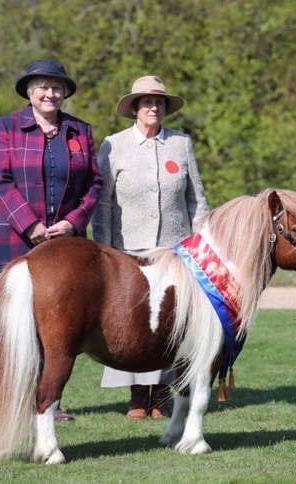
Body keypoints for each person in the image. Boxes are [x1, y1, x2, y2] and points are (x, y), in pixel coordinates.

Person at [0, 59, 103, 422]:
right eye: (42, 86)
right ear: (29, 92)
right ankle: (16, 405)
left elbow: (95, 184)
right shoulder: (7, 127)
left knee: (59, 326)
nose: (50, 93)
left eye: (56, 87)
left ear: (65, 92)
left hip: (66, 244)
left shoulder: (79, 130)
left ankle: (49, 403)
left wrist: (73, 221)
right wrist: (30, 225)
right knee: (18, 327)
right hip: (19, 238)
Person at [92, 75, 209, 420]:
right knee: (133, 324)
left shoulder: (181, 143)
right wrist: (104, 250)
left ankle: (160, 395)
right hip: (128, 251)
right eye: (146, 102)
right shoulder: (114, 145)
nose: (153, 107)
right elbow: (104, 204)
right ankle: (137, 397)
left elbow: (196, 198)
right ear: (134, 109)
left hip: (175, 251)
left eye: (159, 102)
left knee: (171, 324)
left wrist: (200, 241)